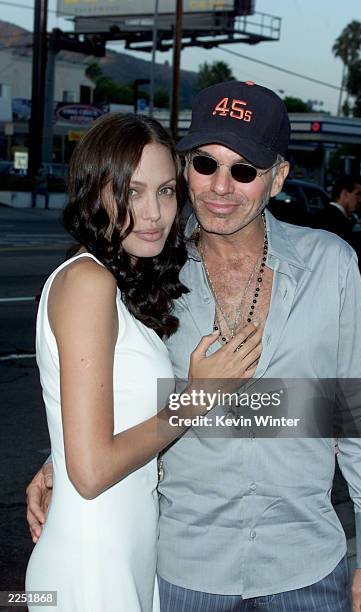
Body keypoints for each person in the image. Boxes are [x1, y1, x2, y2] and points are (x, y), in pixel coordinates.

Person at [27, 83, 361, 611]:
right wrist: (58, 460)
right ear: (185, 167)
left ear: (277, 178)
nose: (221, 187)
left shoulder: (330, 264)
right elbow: (109, 386)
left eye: (244, 169)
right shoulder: (148, 269)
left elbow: (358, 409)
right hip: (184, 570)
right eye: (205, 164)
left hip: (305, 566)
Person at [24, 112, 262, 612]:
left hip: (127, 549)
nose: (154, 213)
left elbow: (96, 421)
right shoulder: (89, 282)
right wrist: (197, 399)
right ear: (95, 191)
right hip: (93, 561)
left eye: (166, 191)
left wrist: (53, 462)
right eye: (132, 192)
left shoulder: (117, 283)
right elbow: (90, 472)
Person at [314, 176, 358, 243]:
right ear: (345, 194)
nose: (359, 199)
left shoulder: (320, 215)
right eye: (357, 194)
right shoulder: (339, 222)